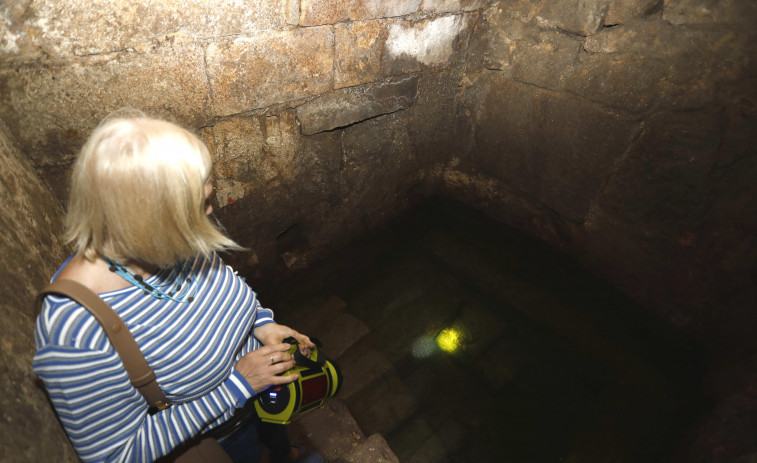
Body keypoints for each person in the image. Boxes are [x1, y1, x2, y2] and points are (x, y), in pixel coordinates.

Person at [33, 111, 324, 463]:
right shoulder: (74, 332)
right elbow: (115, 454)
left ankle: (283, 451)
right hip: (224, 435)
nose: (211, 210)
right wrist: (240, 384)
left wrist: (263, 326)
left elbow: (226, 291)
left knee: (277, 442)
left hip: (262, 396)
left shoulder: (173, 245)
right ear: (151, 221)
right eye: (198, 204)